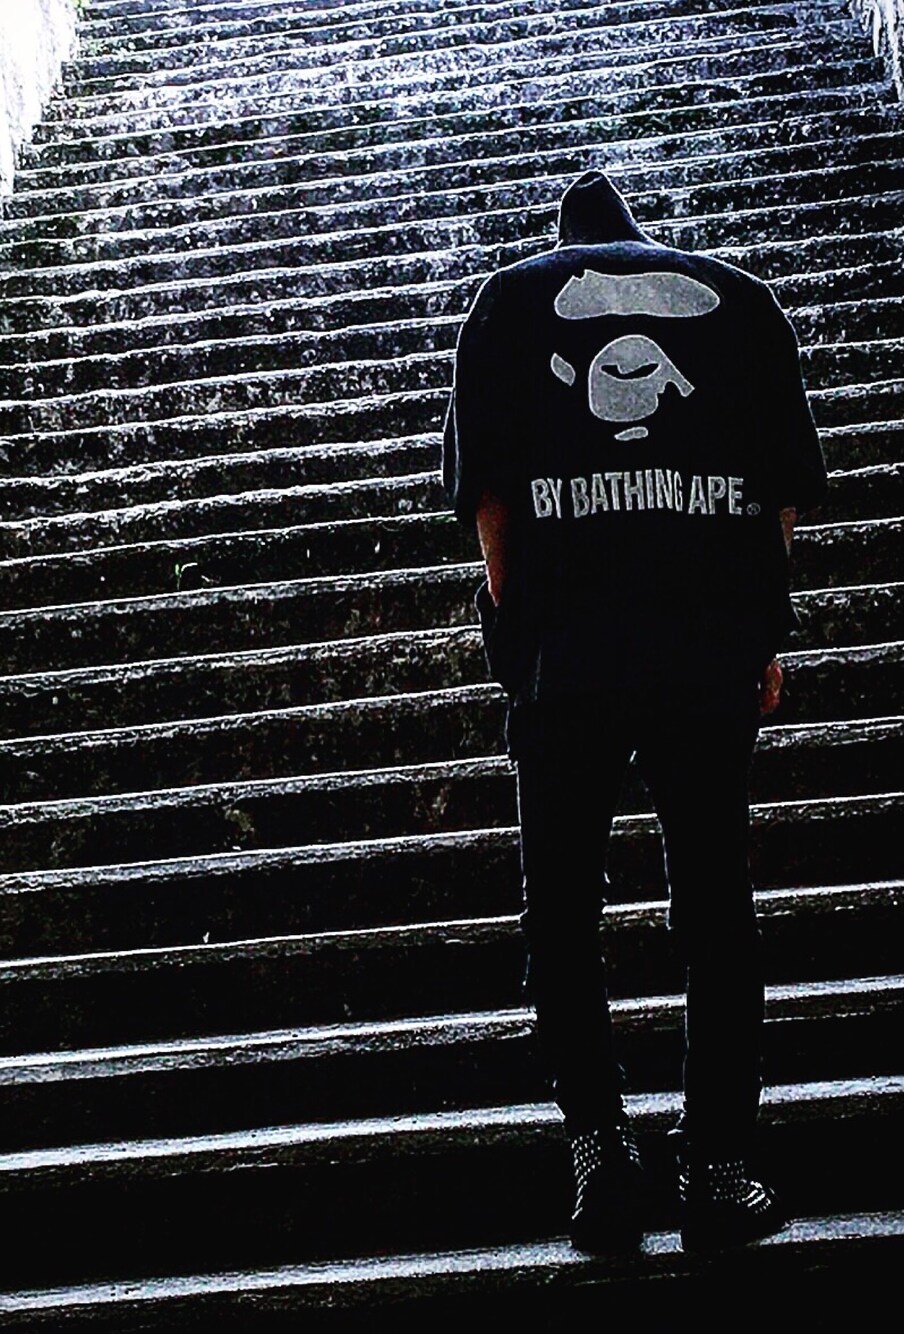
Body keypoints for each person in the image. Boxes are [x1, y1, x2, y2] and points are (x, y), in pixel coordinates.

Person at [441, 169, 829, 1254]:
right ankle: (716, 1167)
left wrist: (516, 627)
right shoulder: (738, 299)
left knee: (562, 913)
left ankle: (602, 1158)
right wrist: (762, 635)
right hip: (702, 653)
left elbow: (490, 500)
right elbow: (778, 495)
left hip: (568, 658)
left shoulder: (508, 303)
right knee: (717, 909)